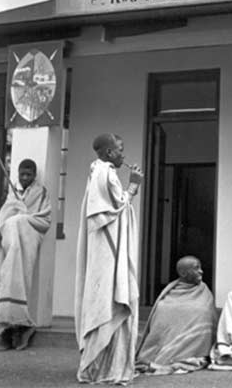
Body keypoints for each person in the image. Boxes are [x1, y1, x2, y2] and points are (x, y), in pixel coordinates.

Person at [74, 133, 143, 385]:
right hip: (109, 248)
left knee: (105, 297)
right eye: (120, 150)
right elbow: (117, 207)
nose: (124, 155)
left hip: (105, 246)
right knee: (111, 297)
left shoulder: (97, 171)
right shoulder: (105, 173)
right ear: (110, 153)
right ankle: (106, 367)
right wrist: (134, 184)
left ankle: (102, 363)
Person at [0, 159, 51, 351]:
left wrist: (23, 217)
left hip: (25, 243)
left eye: (29, 174)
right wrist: (14, 211)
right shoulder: (12, 193)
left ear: (34, 175)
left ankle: (19, 328)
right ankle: (4, 333)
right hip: (8, 245)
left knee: (16, 281)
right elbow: (4, 216)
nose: (25, 178)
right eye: (22, 174)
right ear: (18, 175)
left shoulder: (41, 193)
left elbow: (44, 219)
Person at [135, 256, 217, 375]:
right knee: (163, 307)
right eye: (196, 268)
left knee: (201, 310)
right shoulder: (169, 293)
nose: (201, 271)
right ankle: (163, 353)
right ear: (183, 273)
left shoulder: (205, 292)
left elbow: (206, 313)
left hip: (196, 350)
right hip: (161, 347)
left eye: (200, 267)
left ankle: (183, 353)